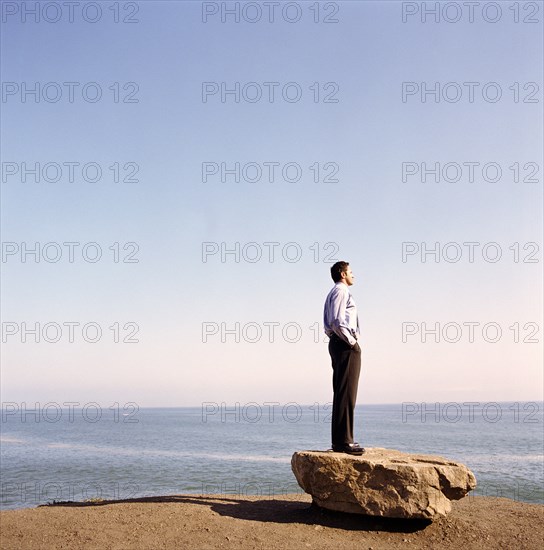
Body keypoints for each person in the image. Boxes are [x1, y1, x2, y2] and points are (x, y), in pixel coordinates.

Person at [323, 261, 364, 455]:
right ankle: (343, 442)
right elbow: (337, 321)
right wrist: (351, 342)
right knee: (346, 392)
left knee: (342, 391)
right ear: (342, 274)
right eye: (351, 272)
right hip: (344, 344)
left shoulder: (333, 292)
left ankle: (342, 440)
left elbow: (330, 323)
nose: (353, 275)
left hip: (338, 343)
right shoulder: (341, 291)